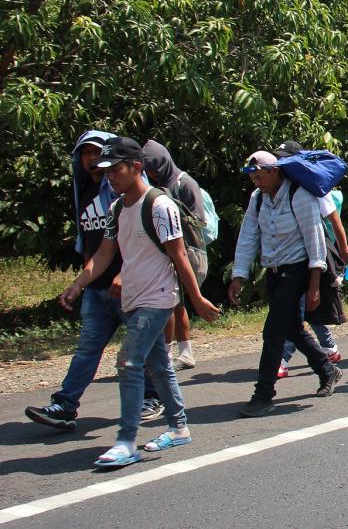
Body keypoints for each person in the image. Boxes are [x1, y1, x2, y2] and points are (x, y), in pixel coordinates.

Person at [58, 137, 220, 466]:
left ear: (136, 168)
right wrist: (77, 286)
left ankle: (126, 440)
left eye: (115, 170)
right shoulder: (117, 208)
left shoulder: (160, 206)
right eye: (105, 171)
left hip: (157, 299)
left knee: (129, 363)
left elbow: (179, 257)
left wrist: (197, 299)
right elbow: (104, 254)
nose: (109, 177)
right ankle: (178, 428)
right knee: (158, 366)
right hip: (133, 297)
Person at [25, 131, 129, 431]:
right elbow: (93, 247)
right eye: (84, 154)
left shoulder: (124, 192)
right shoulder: (84, 193)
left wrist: (125, 273)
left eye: (96, 152)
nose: (91, 159)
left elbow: (141, 242)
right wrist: (79, 284)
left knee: (142, 352)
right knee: (87, 348)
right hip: (98, 288)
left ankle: (155, 400)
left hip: (131, 286)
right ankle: (65, 405)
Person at [229, 151, 343, 416]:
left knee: (273, 331)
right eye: (252, 173)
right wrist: (239, 275)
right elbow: (248, 236)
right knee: (291, 327)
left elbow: (315, 241)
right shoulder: (257, 199)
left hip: (299, 270)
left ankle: (263, 394)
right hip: (275, 271)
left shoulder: (299, 195)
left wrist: (314, 284)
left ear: (276, 171)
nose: (255, 177)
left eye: (260, 171)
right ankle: (328, 370)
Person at [271, 140, 348, 376]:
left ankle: (282, 358)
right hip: (287, 258)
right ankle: (329, 347)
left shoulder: (311, 186)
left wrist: (344, 252)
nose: (280, 163)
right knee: (305, 307)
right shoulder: (273, 189)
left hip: (313, 255)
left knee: (297, 309)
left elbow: (334, 221)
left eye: (283, 159)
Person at [140, 140, 208, 373]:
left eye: (151, 167)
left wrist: (170, 207)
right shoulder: (158, 185)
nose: (149, 173)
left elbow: (199, 219)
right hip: (166, 252)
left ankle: (170, 355)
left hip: (186, 250)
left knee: (173, 304)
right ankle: (179, 353)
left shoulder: (185, 183)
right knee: (174, 304)